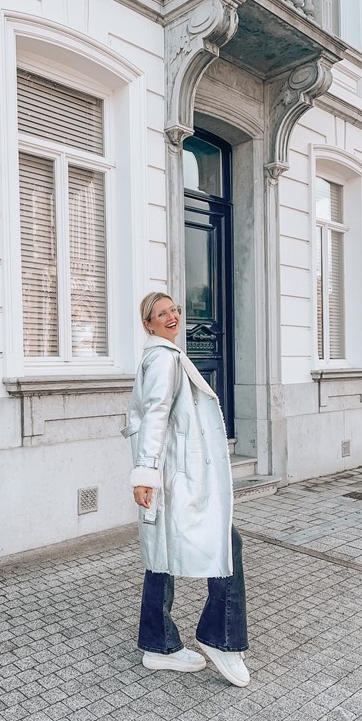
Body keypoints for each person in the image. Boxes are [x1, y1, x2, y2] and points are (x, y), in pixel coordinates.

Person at [121, 292, 249, 687]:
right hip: (177, 475)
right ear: (148, 323)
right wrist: (146, 473)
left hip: (172, 472)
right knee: (226, 544)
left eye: (174, 309)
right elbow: (155, 415)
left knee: (160, 555)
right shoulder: (163, 358)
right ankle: (220, 639)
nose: (172, 316)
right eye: (161, 313)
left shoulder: (166, 355)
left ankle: (157, 644)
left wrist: (148, 472)